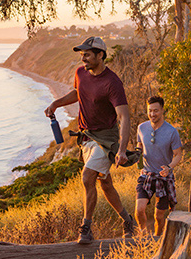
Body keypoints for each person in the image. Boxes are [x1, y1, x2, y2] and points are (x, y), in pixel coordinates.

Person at [44, 36, 137, 244]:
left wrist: (121, 150)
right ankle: (127, 220)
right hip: (87, 137)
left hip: (106, 138)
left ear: (100, 55)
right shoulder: (80, 73)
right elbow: (78, 92)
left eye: (87, 54)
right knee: (105, 185)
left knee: (87, 177)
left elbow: (124, 117)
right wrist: (56, 103)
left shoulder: (112, 83)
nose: (83, 59)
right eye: (81, 55)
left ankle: (86, 227)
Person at [134, 96, 182, 236]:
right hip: (146, 175)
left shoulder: (171, 131)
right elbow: (140, 144)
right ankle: (143, 237)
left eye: (156, 110)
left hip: (163, 178)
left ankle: (157, 238)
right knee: (139, 210)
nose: (152, 114)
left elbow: (178, 154)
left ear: (162, 110)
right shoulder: (141, 128)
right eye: (150, 111)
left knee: (159, 217)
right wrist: (137, 155)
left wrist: (169, 167)